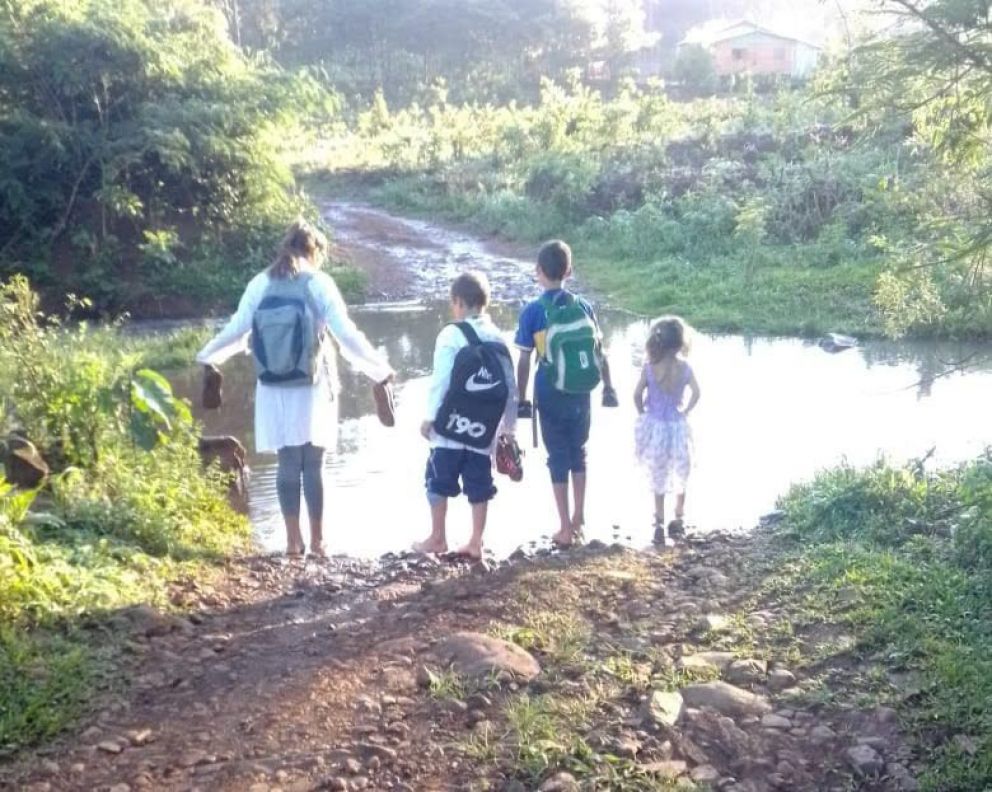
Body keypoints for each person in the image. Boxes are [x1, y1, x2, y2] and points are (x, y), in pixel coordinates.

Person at [196, 220, 394, 558]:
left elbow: (237, 329)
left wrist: (208, 358)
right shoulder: (318, 283)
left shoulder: (260, 283)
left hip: (273, 386)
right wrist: (379, 370)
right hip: (312, 383)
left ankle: (291, 543)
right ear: (314, 251)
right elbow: (345, 334)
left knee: (288, 463)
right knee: (312, 465)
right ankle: (318, 543)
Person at [515, 240, 618, 548]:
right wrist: (609, 387)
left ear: (538, 272)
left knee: (556, 456)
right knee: (579, 451)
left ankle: (563, 528)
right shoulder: (583, 307)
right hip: (581, 392)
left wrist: (521, 400)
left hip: (550, 391)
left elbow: (523, 360)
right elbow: (600, 352)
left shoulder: (533, 312)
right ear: (569, 271)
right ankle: (579, 517)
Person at [414, 272, 517, 560]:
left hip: (449, 427)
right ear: (484, 303)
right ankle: (475, 541)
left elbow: (441, 380)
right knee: (479, 483)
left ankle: (437, 537)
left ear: (458, 302)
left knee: (437, 478)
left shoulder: (450, 334)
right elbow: (510, 389)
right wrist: (508, 430)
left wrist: (429, 417)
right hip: (482, 430)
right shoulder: (497, 337)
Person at [633, 316, 700, 542]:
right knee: (682, 468)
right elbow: (697, 393)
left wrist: (642, 413)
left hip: (656, 426)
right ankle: (679, 514)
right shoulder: (685, 368)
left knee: (658, 470)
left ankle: (659, 518)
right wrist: (686, 411)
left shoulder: (650, 368)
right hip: (678, 426)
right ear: (681, 343)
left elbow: (636, 394)